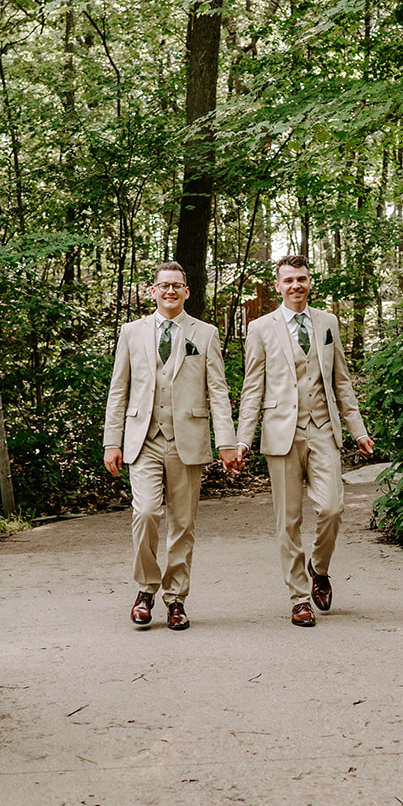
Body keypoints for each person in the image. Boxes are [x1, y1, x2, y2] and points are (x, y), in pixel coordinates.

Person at [236, 254, 374, 626]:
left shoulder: (327, 322)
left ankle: (320, 567)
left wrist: (357, 429)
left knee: (331, 508)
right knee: (288, 520)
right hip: (281, 432)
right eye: (289, 280)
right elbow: (252, 388)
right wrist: (242, 439)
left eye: (302, 278)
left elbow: (341, 380)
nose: (296, 285)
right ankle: (299, 598)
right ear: (278, 285)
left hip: (323, 428)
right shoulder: (260, 328)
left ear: (310, 282)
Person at [104, 262, 238, 630]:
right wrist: (111, 441)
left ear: (187, 292)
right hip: (143, 438)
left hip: (187, 440)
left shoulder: (206, 334)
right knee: (146, 512)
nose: (170, 291)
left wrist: (226, 442)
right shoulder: (131, 332)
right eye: (163, 286)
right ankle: (146, 589)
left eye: (177, 285)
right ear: (153, 291)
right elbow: (119, 390)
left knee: (183, 523)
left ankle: (176, 599)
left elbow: (218, 392)